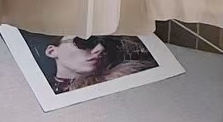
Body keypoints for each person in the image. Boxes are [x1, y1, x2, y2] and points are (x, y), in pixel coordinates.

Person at [24, 33, 156, 94]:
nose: (99, 49)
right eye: (85, 42)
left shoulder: (124, 77)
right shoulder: (31, 88)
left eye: (106, 46)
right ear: (52, 51)